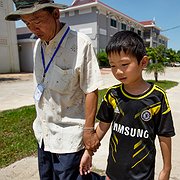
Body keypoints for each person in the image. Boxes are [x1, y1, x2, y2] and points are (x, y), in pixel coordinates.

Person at [5, 0, 103, 179]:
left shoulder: (81, 44)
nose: (33, 29)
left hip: (69, 138)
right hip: (43, 135)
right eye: (27, 23)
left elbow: (91, 90)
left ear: (56, 14)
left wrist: (89, 131)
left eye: (37, 21)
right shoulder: (37, 45)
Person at [92, 31, 175, 179]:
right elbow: (103, 125)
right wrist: (88, 151)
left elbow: (164, 136)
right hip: (113, 173)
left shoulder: (157, 98)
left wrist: (166, 170)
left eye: (124, 64)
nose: (118, 71)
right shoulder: (112, 95)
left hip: (142, 175)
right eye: (112, 66)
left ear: (143, 62)